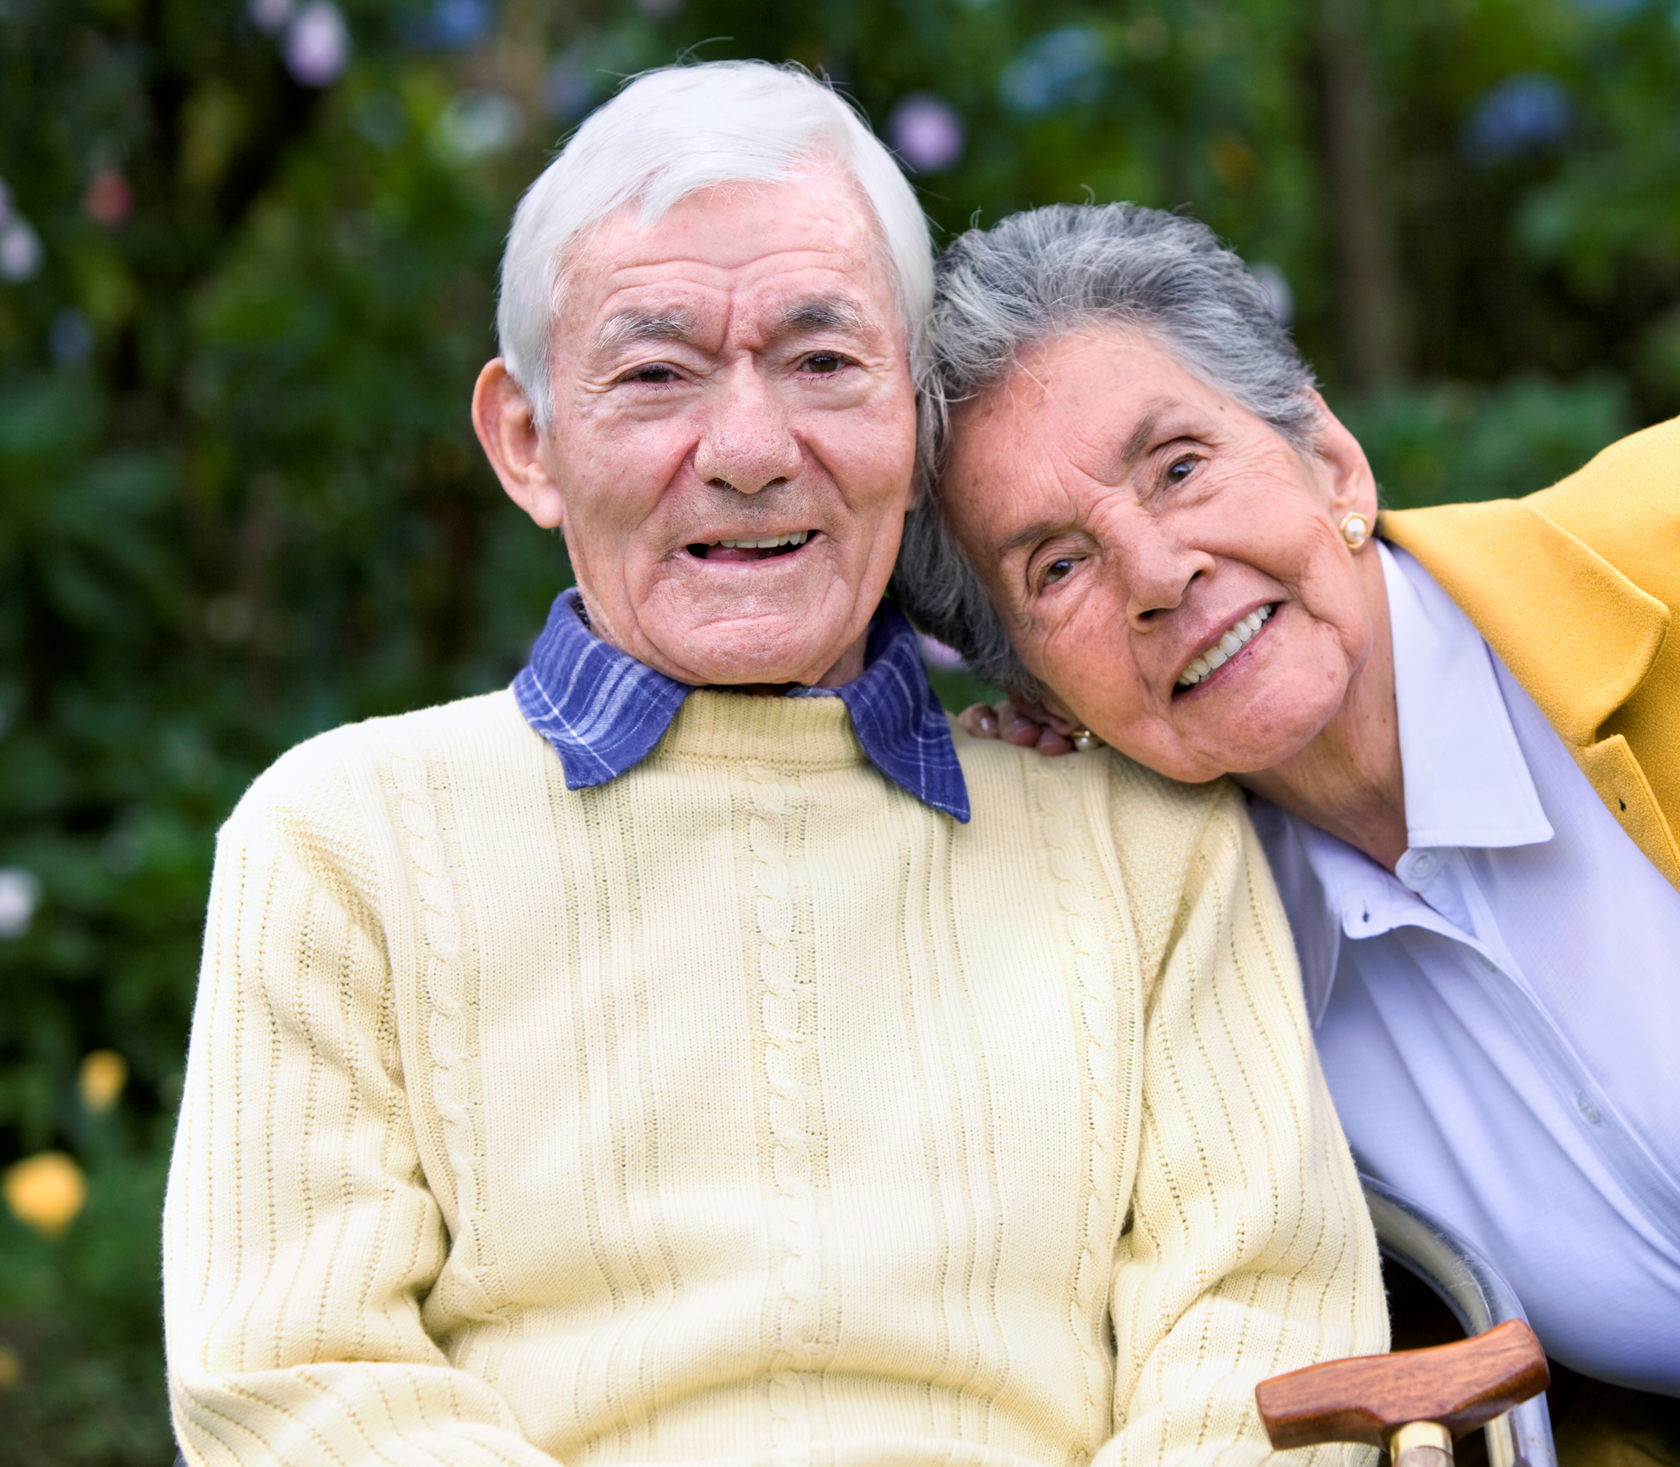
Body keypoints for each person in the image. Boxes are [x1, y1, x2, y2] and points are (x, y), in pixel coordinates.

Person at [161, 70, 1385, 1467]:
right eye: (656, 372)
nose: (748, 451)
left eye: (821, 362)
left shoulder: (1138, 836)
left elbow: (1269, 1337)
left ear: (914, 429)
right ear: (527, 440)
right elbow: (296, 1376)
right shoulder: (344, 842)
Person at [899, 201, 1680, 1467]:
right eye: (1055, 567)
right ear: (1034, 688)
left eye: (1180, 465)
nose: (1156, 572)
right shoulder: (1192, 937)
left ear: (1329, 458)